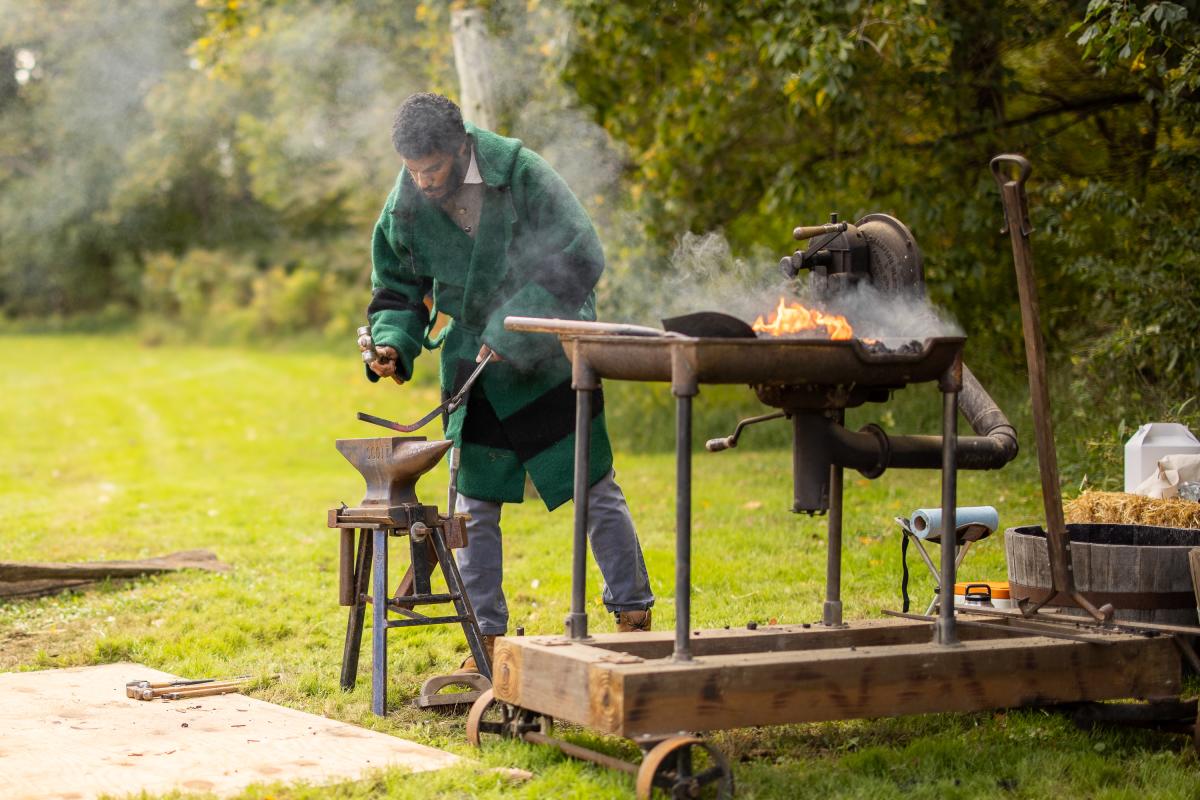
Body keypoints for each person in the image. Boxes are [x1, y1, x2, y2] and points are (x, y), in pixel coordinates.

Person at [362, 93, 654, 672]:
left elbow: (580, 254)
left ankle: (633, 614)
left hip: (548, 349)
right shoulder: (406, 202)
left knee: (592, 486)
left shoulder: (521, 172)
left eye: (433, 169)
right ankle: (485, 640)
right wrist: (392, 342)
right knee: (474, 501)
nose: (422, 181)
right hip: (473, 365)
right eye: (413, 170)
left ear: (460, 145)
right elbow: (397, 287)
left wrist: (515, 327)